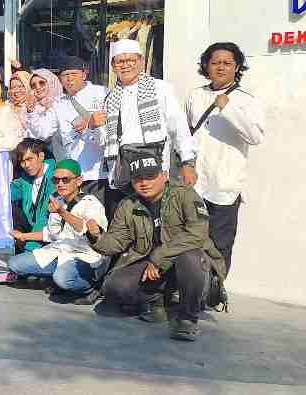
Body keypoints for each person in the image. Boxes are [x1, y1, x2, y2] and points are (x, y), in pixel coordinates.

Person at [88, 159, 227, 341]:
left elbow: (197, 234)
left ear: (165, 176)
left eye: (150, 177)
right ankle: (156, 301)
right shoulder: (128, 205)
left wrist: (159, 257)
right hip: (153, 267)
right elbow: (116, 242)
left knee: (190, 257)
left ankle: (188, 317)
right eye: (138, 179)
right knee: (114, 287)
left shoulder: (185, 195)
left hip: (186, 262)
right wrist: (96, 235)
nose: (144, 183)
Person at [185, 42, 264, 274]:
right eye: (215, 62)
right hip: (195, 183)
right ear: (206, 66)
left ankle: (212, 291)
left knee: (220, 244)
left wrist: (229, 110)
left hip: (226, 185)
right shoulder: (196, 95)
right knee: (189, 240)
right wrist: (186, 166)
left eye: (227, 63)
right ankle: (189, 291)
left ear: (236, 66)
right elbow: (185, 136)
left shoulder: (247, 100)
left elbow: (255, 136)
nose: (221, 68)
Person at [101, 39, 196, 224]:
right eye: (120, 61)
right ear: (113, 66)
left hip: (154, 168)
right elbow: (104, 141)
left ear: (141, 61)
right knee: (125, 224)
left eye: (131, 60)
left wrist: (188, 162)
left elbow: (179, 127)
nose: (126, 65)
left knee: (156, 223)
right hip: (123, 172)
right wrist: (96, 126)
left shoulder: (160, 89)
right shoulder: (110, 98)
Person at [8, 159, 108, 305]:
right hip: (58, 252)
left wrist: (62, 212)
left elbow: (89, 231)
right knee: (14, 264)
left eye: (65, 179)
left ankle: (90, 287)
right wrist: (23, 236)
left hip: (84, 257)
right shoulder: (57, 200)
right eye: (56, 180)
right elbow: (51, 234)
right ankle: (59, 278)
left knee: (62, 278)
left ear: (79, 180)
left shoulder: (91, 203)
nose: (60, 184)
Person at [28, 57, 108, 204]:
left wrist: (92, 125)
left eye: (74, 74)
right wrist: (31, 110)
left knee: (97, 221)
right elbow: (43, 132)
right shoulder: (59, 104)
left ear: (84, 74)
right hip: (73, 176)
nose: (69, 79)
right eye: (65, 75)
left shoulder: (102, 93)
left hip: (99, 173)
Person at [9, 139, 55, 255]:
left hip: (51, 233)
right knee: (7, 206)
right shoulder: (26, 177)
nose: (26, 165)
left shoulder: (55, 178)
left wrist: (30, 249)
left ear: (41, 156)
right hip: (32, 230)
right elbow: (6, 194)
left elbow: (44, 218)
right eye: (23, 162)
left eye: (29, 159)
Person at [25, 68, 65, 157]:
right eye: (33, 85)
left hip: (64, 157)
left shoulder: (61, 102)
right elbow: (31, 136)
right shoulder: (32, 107)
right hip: (42, 159)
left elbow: (44, 133)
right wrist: (31, 111)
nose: (38, 87)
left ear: (50, 82)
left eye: (42, 83)